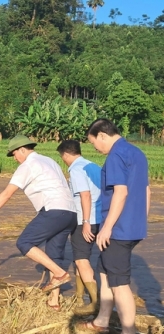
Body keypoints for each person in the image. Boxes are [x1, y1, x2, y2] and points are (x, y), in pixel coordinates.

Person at [0, 135, 77, 310]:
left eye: (14, 154)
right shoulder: (49, 161)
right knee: (54, 255)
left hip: (53, 209)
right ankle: (54, 302)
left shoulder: (28, 165)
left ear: (23, 150)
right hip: (70, 212)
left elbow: (7, 193)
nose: (15, 159)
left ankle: (60, 273)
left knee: (24, 242)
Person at [78, 119, 150, 334]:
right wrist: (139, 221)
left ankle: (129, 330)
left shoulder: (115, 156)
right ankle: (102, 321)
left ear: (102, 135)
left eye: (94, 143)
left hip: (118, 229)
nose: (95, 148)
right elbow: (147, 191)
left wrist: (107, 227)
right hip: (132, 227)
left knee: (119, 282)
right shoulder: (137, 152)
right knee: (104, 271)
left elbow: (120, 192)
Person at [57, 139, 101, 315]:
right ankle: (79, 296)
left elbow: (85, 195)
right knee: (79, 257)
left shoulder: (76, 169)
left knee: (82, 260)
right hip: (101, 218)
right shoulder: (94, 166)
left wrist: (85, 222)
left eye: (62, 157)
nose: (63, 160)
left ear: (66, 154)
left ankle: (95, 303)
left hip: (86, 219)